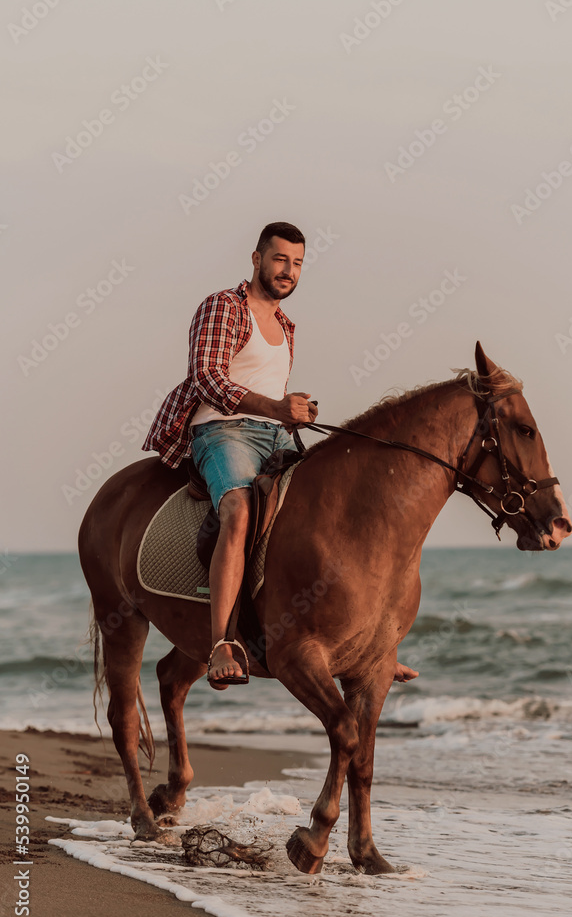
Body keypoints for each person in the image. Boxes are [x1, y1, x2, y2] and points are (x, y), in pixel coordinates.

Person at [143, 221, 418, 688]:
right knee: (239, 510)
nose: (288, 270)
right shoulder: (223, 307)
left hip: (276, 434)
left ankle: (364, 644)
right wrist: (273, 406)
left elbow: (270, 387)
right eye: (279, 259)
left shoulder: (287, 325)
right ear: (256, 258)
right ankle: (221, 644)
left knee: (330, 512)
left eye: (297, 263)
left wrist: (293, 410)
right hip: (221, 430)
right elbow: (207, 377)